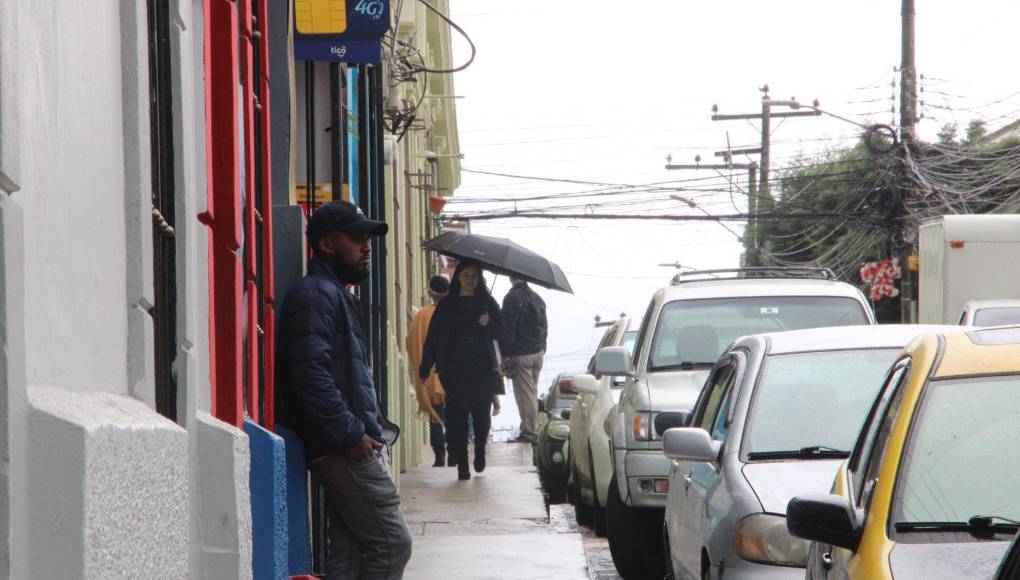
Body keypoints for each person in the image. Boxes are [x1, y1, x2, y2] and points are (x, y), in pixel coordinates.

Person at [275, 200, 412, 580]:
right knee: (392, 543)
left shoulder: (334, 295)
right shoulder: (315, 295)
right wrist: (352, 434)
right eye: (356, 237)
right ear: (327, 244)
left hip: (348, 444)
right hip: (343, 448)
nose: (367, 246)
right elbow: (309, 374)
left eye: (367, 238)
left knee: (350, 556)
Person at [419, 260, 506, 480]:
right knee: (457, 415)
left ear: (480, 278)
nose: (470, 280)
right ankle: (463, 463)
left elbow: (504, 333)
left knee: (481, 415)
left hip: (483, 368)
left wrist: (489, 323)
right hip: (453, 368)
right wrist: (425, 366)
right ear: (458, 277)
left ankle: (479, 452)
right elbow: (433, 337)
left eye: (474, 276)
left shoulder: (487, 302)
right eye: (466, 275)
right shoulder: (447, 305)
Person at [405, 274, 452, 467]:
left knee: (435, 414)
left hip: (431, 375)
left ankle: (439, 453)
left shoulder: (422, 316)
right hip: (454, 374)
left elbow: (411, 343)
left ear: (430, 293)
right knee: (456, 414)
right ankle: (455, 451)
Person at [501, 276, 548, 444]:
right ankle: (528, 428)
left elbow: (507, 328)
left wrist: (505, 354)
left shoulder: (511, 298)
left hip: (521, 354)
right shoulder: (538, 298)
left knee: (525, 395)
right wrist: (542, 348)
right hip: (538, 353)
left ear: (511, 278)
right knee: (532, 393)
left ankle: (529, 433)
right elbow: (545, 327)